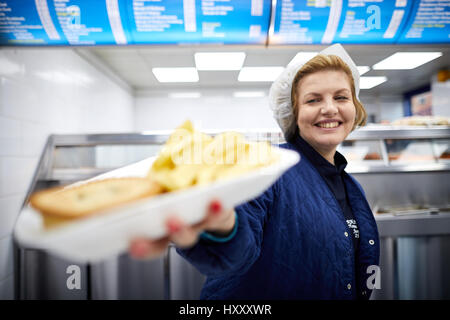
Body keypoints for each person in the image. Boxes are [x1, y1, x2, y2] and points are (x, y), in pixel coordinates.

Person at [129, 44, 380, 300]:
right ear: (293, 113)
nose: (329, 108)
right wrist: (222, 228)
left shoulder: (351, 186)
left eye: (341, 97)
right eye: (313, 99)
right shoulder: (269, 166)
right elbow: (240, 242)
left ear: (355, 107)